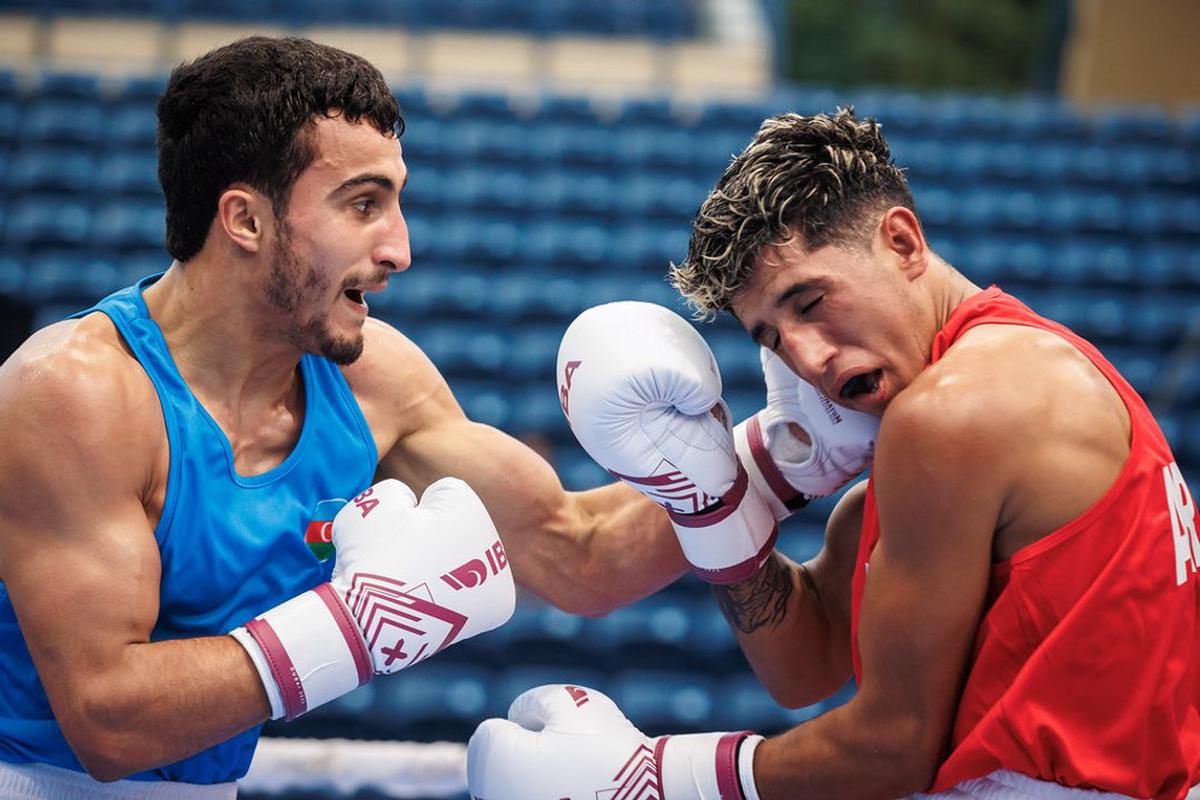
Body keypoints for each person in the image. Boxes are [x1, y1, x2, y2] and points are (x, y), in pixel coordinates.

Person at [2, 36, 864, 797]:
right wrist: (352, 628)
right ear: (245, 219)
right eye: (363, 204)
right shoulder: (74, 395)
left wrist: (789, 456)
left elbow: (577, 551)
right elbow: (106, 723)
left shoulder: (374, 380)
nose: (400, 249)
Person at [467, 109, 1200, 799]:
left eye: (811, 302)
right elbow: (807, 663)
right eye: (771, 338)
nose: (809, 357)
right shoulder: (1013, 371)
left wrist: (653, 776)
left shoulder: (952, 413)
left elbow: (892, 745)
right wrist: (711, 505)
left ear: (903, 243)